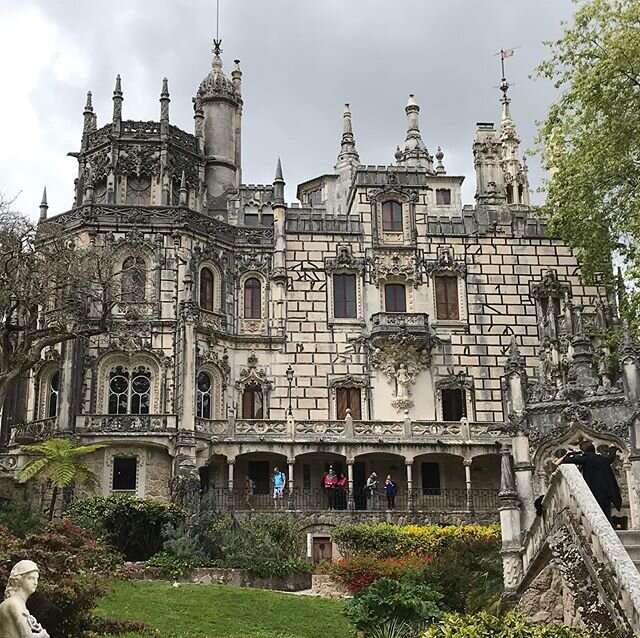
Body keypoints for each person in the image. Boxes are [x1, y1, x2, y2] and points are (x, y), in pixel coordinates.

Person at [555, 441, 622, 524]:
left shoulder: (584, 459)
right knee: (606, 515)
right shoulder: (603, 459)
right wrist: (612, 447)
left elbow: (558, 463)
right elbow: (611, 456)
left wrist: (568, 454)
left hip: (593, 492)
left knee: (597, 516)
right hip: (606, 492)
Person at [0, 559, 50, 638]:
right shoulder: (15, 604)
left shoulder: (16, 603)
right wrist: (43, 634)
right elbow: (27, 636)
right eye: (31, 578)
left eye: (37, 579)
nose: (35, 582)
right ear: (18, 580)